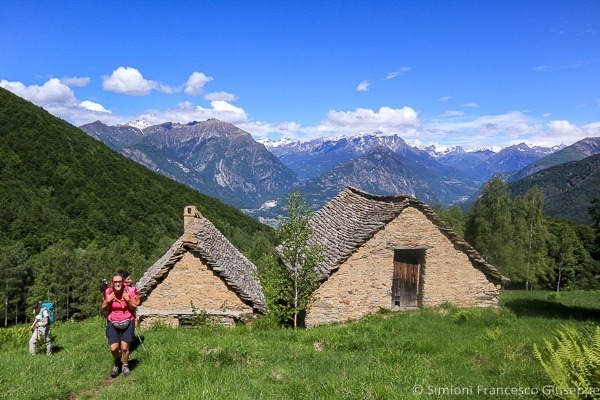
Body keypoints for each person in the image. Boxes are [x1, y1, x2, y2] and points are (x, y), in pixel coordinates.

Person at [102, 272, 138, 377]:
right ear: (112, 283)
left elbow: (135, 307)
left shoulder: (129, 291)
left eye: (119, 282)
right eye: (115, 282)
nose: (118, 284)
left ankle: (125, 365)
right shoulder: (108, 291)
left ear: (123, 282)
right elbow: (104, 307)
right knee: (113, 348)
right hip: (113, 321)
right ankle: (117, 361)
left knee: (124, 348)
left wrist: (127, 299)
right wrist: (108, 301)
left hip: (128, 320)